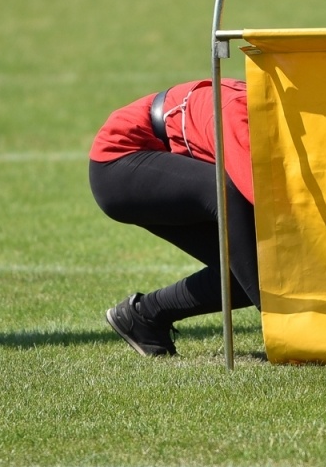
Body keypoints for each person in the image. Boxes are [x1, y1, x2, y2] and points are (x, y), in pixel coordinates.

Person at [90, 78, 258, 356]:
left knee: (253, 266)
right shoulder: (239, 112)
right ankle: (289, 325)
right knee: (227, 198)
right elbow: (260, 200)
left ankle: (144, 316)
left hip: (164, 158)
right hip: (120, 160)